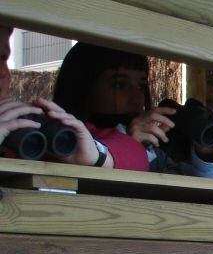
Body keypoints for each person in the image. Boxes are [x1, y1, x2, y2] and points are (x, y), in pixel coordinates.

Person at [53, 42, 213, 180]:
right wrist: (129, 145)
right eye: (120, 85)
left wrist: (207, 156)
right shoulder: (66, 141)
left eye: (141, 85)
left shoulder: (157, 145)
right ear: (82, 88)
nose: (136, 96)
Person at [0, 27, 128, 169]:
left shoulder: (27, 126)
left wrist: (98, 158)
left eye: (3, 57)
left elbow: (134, 152)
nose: (1, 72)